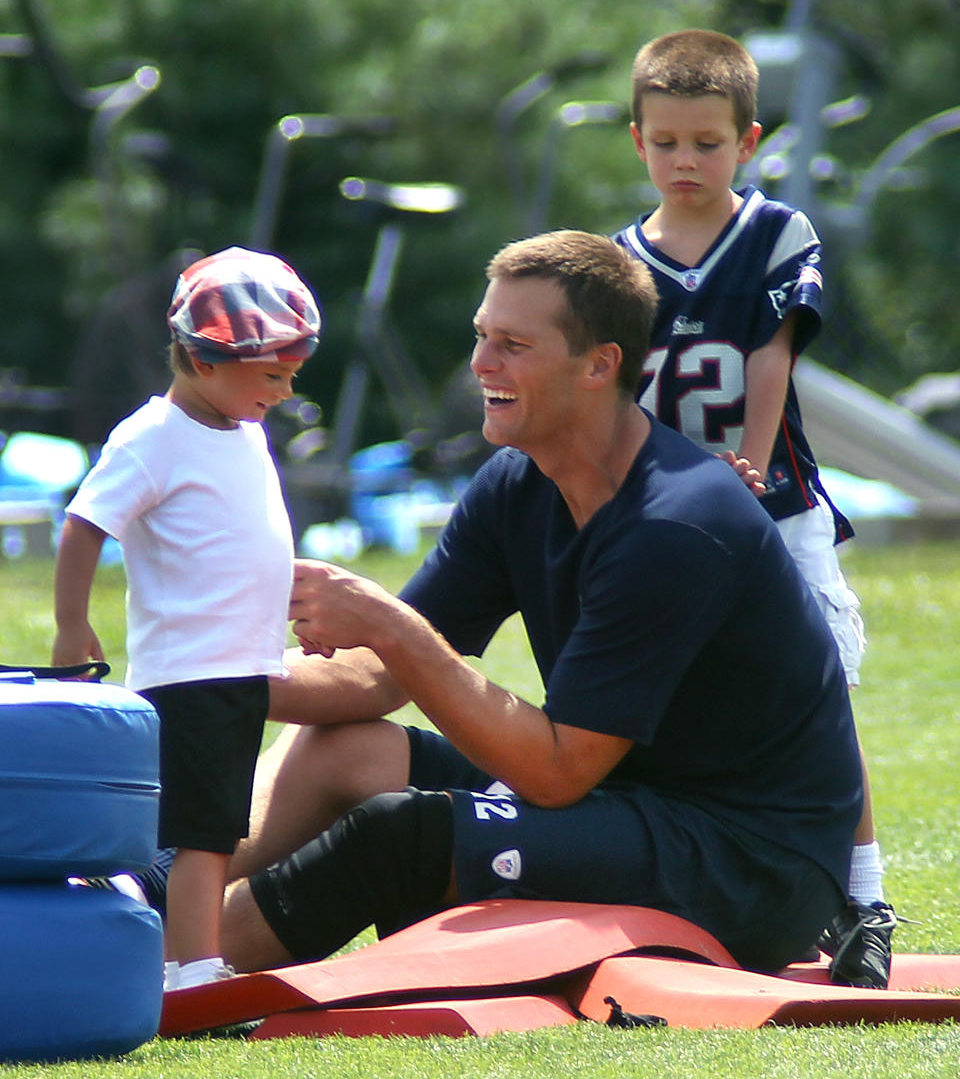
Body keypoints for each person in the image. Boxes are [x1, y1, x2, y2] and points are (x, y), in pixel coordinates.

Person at [211, 229, 862, 979]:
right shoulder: (514, 484)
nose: (481, 364)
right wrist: (210, 676)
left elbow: (559, 771)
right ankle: (159, 905)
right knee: (342, 749)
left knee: (405, 834)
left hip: (751, 863)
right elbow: (373, 678)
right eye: (482, 336)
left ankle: (158, 964)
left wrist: (390, 624)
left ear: (600, 365)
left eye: (513, 344)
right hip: (629, 805)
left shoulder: (676, 524)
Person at [610, 28, 896, 988]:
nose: (685, 160)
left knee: (822, 697)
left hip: (771, 506)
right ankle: (678, 882)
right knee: (653, 700)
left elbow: (770, 352)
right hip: (659, 520)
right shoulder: (614, 262)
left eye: (707, 141)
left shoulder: (778, 232)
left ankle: (865, 898)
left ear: (750, 140)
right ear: (637, 140)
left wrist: (746, 463)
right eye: (666, 141)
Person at [51, 246, 321, 992]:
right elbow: (84, 524)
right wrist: (72, 626)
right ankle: (192, 968)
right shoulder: (153, 437)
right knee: (204, 834)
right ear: (204, 360)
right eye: (272, 374)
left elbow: (249, 544)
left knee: (214, 825)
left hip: (236, 666)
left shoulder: (244, 431)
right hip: (191, 672)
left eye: (291, 373)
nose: (284, 389)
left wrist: (297, 615)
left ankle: (172, 952)